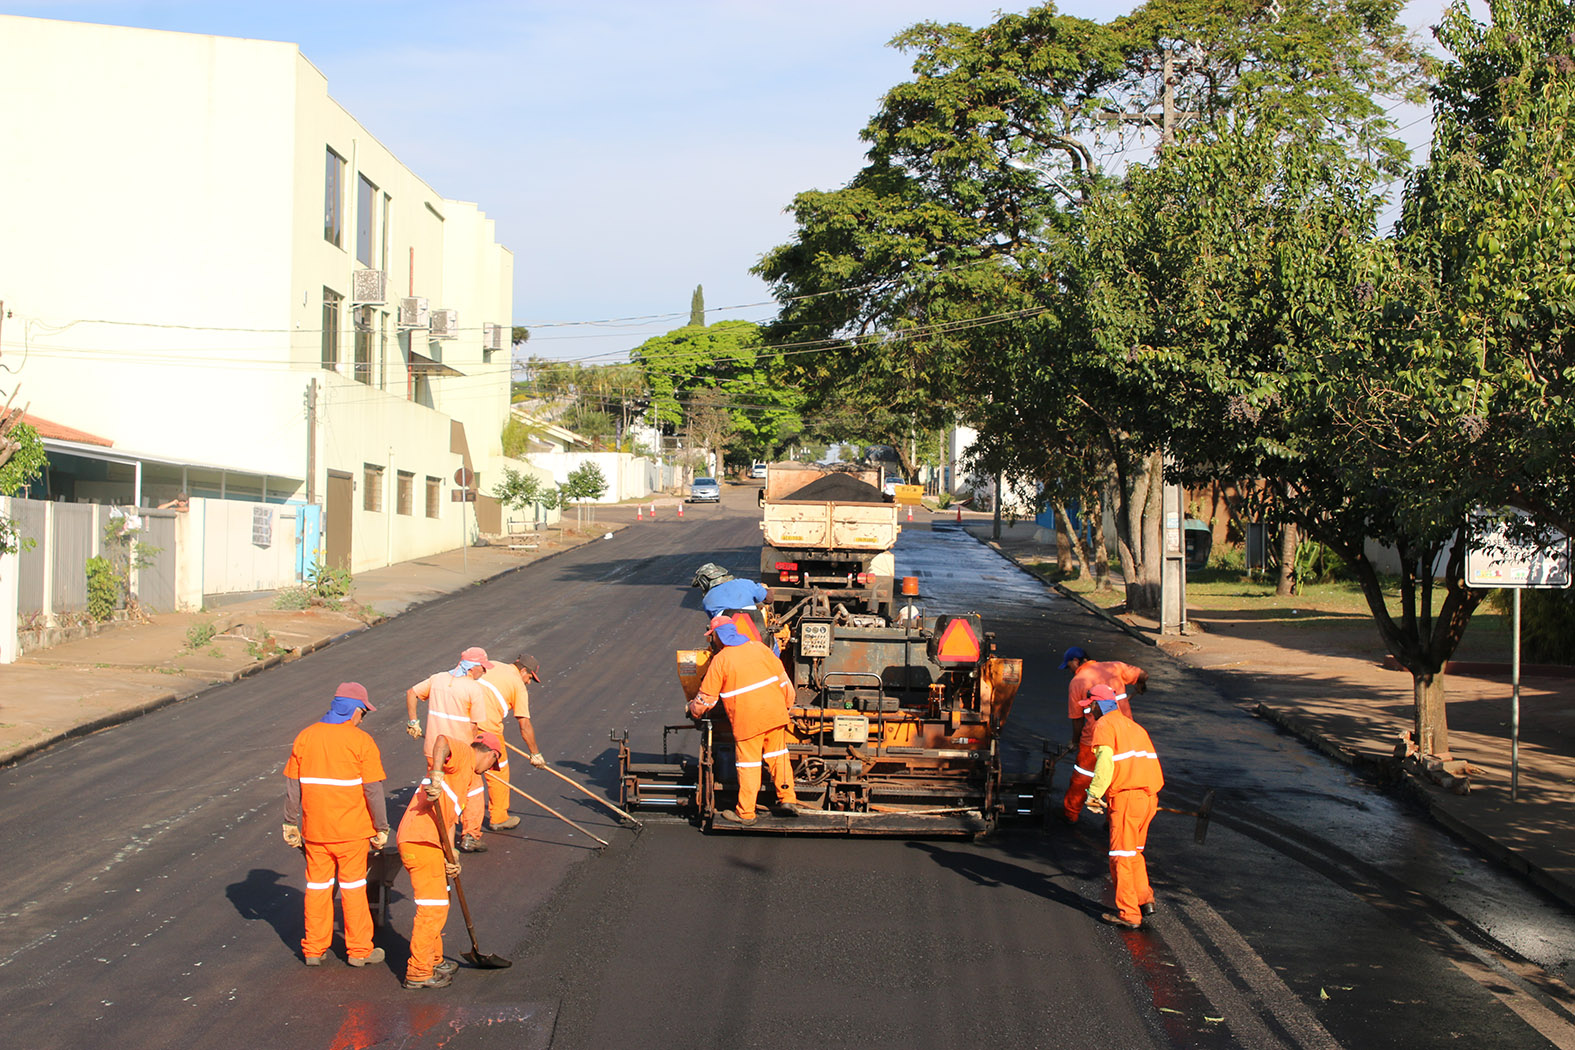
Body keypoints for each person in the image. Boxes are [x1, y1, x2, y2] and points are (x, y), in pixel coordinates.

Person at [282, 682, 389, 967]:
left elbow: (294, 786)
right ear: (354, 711)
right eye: (363, 713)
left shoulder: (305, 737)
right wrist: (381, 827)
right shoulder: (361, 741)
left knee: (317, 888)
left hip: (315, 832)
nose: (362, 718)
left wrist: (290, 822)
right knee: (354, 888)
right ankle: (359, 951)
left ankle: (313, 949)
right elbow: (373, 790)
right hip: (351, 833)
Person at [395, 731, 503, 989]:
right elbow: (442, 741)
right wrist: (437, 774)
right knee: (432, 908)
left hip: (432, 842)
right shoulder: (464, 754)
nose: (489, 770)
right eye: (492, 764)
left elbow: (450, 818)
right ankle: (419, 972)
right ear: (490, 754)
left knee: (441, 901)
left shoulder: (464, 780)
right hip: (420, 840)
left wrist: (450, 853)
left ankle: (433, 958)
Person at [687, 613, 801, 825]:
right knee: (779, 757)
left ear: (718, 637)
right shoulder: (761, 649)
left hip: (748, 722)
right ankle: (787, 799)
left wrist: (693, 710)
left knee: (748, 765)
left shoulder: (721, 660)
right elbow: (786, 685)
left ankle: (746, 813)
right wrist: (785, 708)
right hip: (776, 715)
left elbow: (706, 699)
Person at [1083, 685, 1163, 929]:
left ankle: (1129, 913)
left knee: (1120, 856)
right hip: (1148, 799)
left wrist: (1094, 794)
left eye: (1090, 706)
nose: (1089, 711)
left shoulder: (1105, 725)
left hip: (1127, 799)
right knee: (1134, 853)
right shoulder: (1134, 727)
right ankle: (1144, 899)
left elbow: (1105, 764)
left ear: (1098, 705)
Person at [405, 646, 492, 852]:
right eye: (483, 668)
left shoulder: (437, 679)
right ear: (473, 668)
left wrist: (413, 722)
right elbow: (474, 726)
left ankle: (436, 833)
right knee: (473, 790)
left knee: (437, 788)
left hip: (433, 751)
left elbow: (411, 692)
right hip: (459, 753)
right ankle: (470, 835)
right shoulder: (474, 689)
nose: (484, 672)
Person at [1059, 646, 1148, 824]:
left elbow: (1077, 719)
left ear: (1076, 662)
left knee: (1082, 778)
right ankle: (1113, 820)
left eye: (1068, 665)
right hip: (1123, 738)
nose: (1069, 670)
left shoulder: (1078, 681)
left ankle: (1070, 814)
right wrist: (1140, 685)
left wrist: (1075, 741)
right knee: (1117, 779)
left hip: (1093, 739)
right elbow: (1142, 675)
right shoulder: (1114, 667)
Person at [476, 652, 548, 831]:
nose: (529, 682)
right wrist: (535, 753)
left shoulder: (491, 664)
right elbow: (524, 725)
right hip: (487, 728)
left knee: (466, 771)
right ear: (523, 671)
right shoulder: (518, 685)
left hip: (463, 722)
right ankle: (499, 817)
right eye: (530, 677)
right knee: (498, 770)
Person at [691, 562, 768, 619]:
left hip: (728, 635)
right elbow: (769, 598)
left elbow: (715, 621)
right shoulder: (745, 583)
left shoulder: (707, 600)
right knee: (770, 638)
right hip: (755, 628)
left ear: (704, 583)